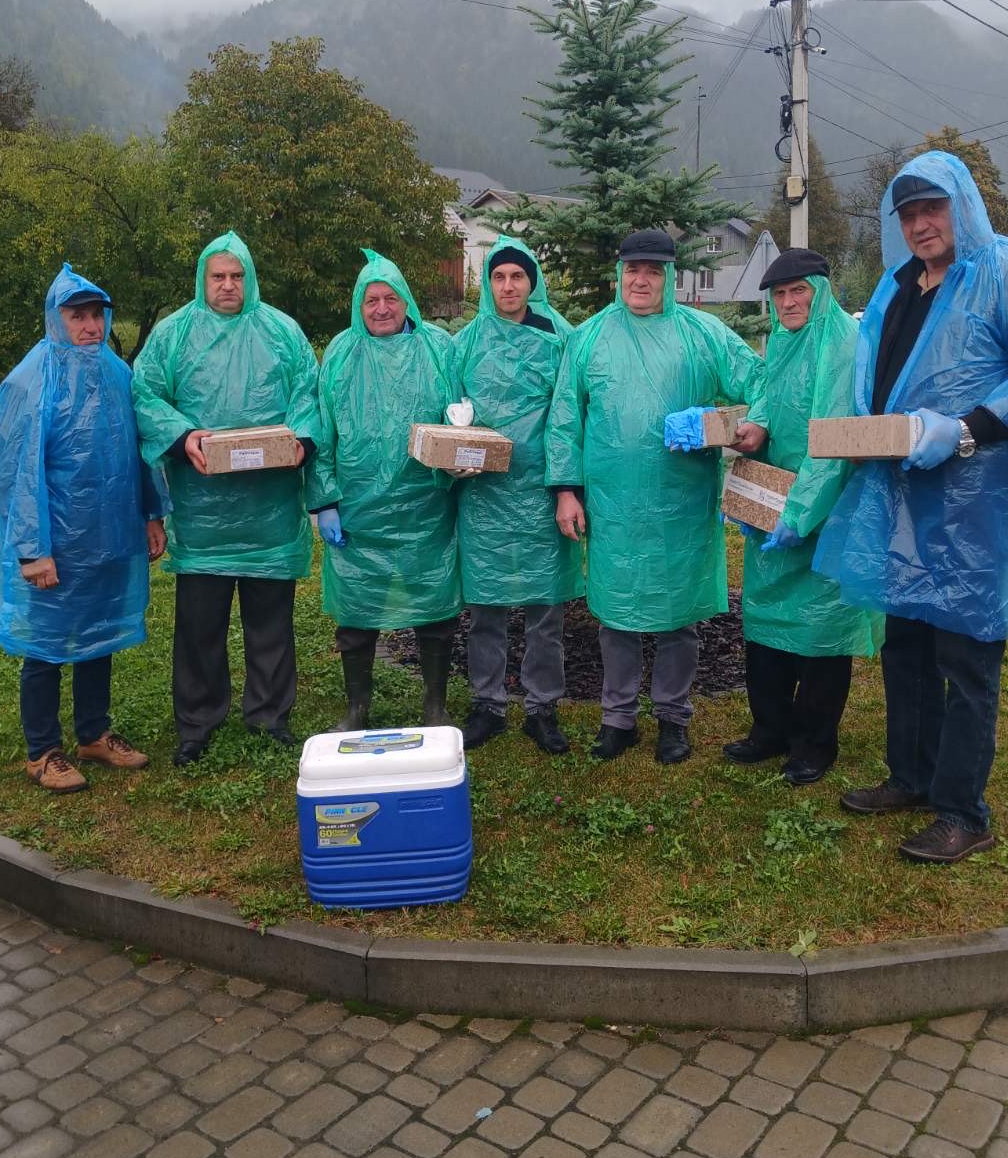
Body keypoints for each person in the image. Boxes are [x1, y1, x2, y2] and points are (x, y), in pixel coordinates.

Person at [815, 153, 1008, 862]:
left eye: (932, 208)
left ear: (963, 204)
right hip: (903, 495)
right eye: (907, 214)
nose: (920, 224)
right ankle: (911, 776)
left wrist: (963, 429)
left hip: (975, 503)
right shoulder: (898, 285)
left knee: (966, 656)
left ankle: (964, 811)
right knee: (905, 644)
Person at [546, 229, 766, 763]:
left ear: (669, 276)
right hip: (613, 503)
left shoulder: (703, 334)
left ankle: (673, 716)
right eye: (633, 270)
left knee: (678, 613)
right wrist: (566, 490)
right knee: (616, 613)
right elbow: (564, 419)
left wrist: (749, 423)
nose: (640, 280)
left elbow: (759, 381)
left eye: (652, 270)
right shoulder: (589, 338)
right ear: (619, 273)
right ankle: (617, 717)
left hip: (680, 503)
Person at [0, 265, 167, 793]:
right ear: (55, 319)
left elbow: (139, 449)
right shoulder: (31, 381)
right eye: (77, 316)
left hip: (108, 535)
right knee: (46, 643)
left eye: (96, 315)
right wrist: (32, 550)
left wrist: (151, 514)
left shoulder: (116, 372)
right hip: (56, 543)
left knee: (98, 633)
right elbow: (17, 473)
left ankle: (93, 734)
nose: (90, 326)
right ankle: (42, 751)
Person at [132, 232, 319, 766]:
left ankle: (270, 716)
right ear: (203, 279)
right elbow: (145, 394)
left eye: (237, 276)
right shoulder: (173, 335)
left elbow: (309, 394)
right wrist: (182, 436)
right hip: (204, 514)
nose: (228, 285)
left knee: (271, 623)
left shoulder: (282, 332)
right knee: (199, 627)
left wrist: (300, 442)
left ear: (250, 278)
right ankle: (197, 723)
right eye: (219, 276)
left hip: (269, 513)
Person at [721, 248, 879, 785]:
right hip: (776, 499)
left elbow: (833, 438)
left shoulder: (841, 342)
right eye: (780, 294)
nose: (788, 302)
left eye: (798, 292)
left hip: (826, 507)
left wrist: (800, 512)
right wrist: (757, 427)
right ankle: (769, 729)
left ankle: (814, 742)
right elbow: (769, 394)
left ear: (821, 292)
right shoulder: (783, 338)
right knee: (766, 621)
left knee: (820, 632)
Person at [307, 249, 462, 730]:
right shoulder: (341, 353)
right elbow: (322, 430)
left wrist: (458, 456)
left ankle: (435, 705)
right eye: (371, 299)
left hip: (426, 500)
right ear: (359, 304)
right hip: (358, 506)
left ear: (406, 300)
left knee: (434, 603)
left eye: (390, 298)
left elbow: (460, 414)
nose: (381, 308)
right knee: (356, 606)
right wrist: (324, 500)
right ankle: (357, 707)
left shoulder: (438, 348)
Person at [453, 237, 584, 754]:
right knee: (484, 606)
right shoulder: (466, 342)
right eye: (499, 277)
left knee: (544, 607)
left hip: (540, 490)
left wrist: (566, 487)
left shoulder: (559, 338)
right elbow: (450, 405)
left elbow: (569, 416)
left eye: (517, 277)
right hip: (483, 494)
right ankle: (487, 704)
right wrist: (456, 450)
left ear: (533, 282)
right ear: (488, 284)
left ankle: (541, 708)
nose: (508, 286)